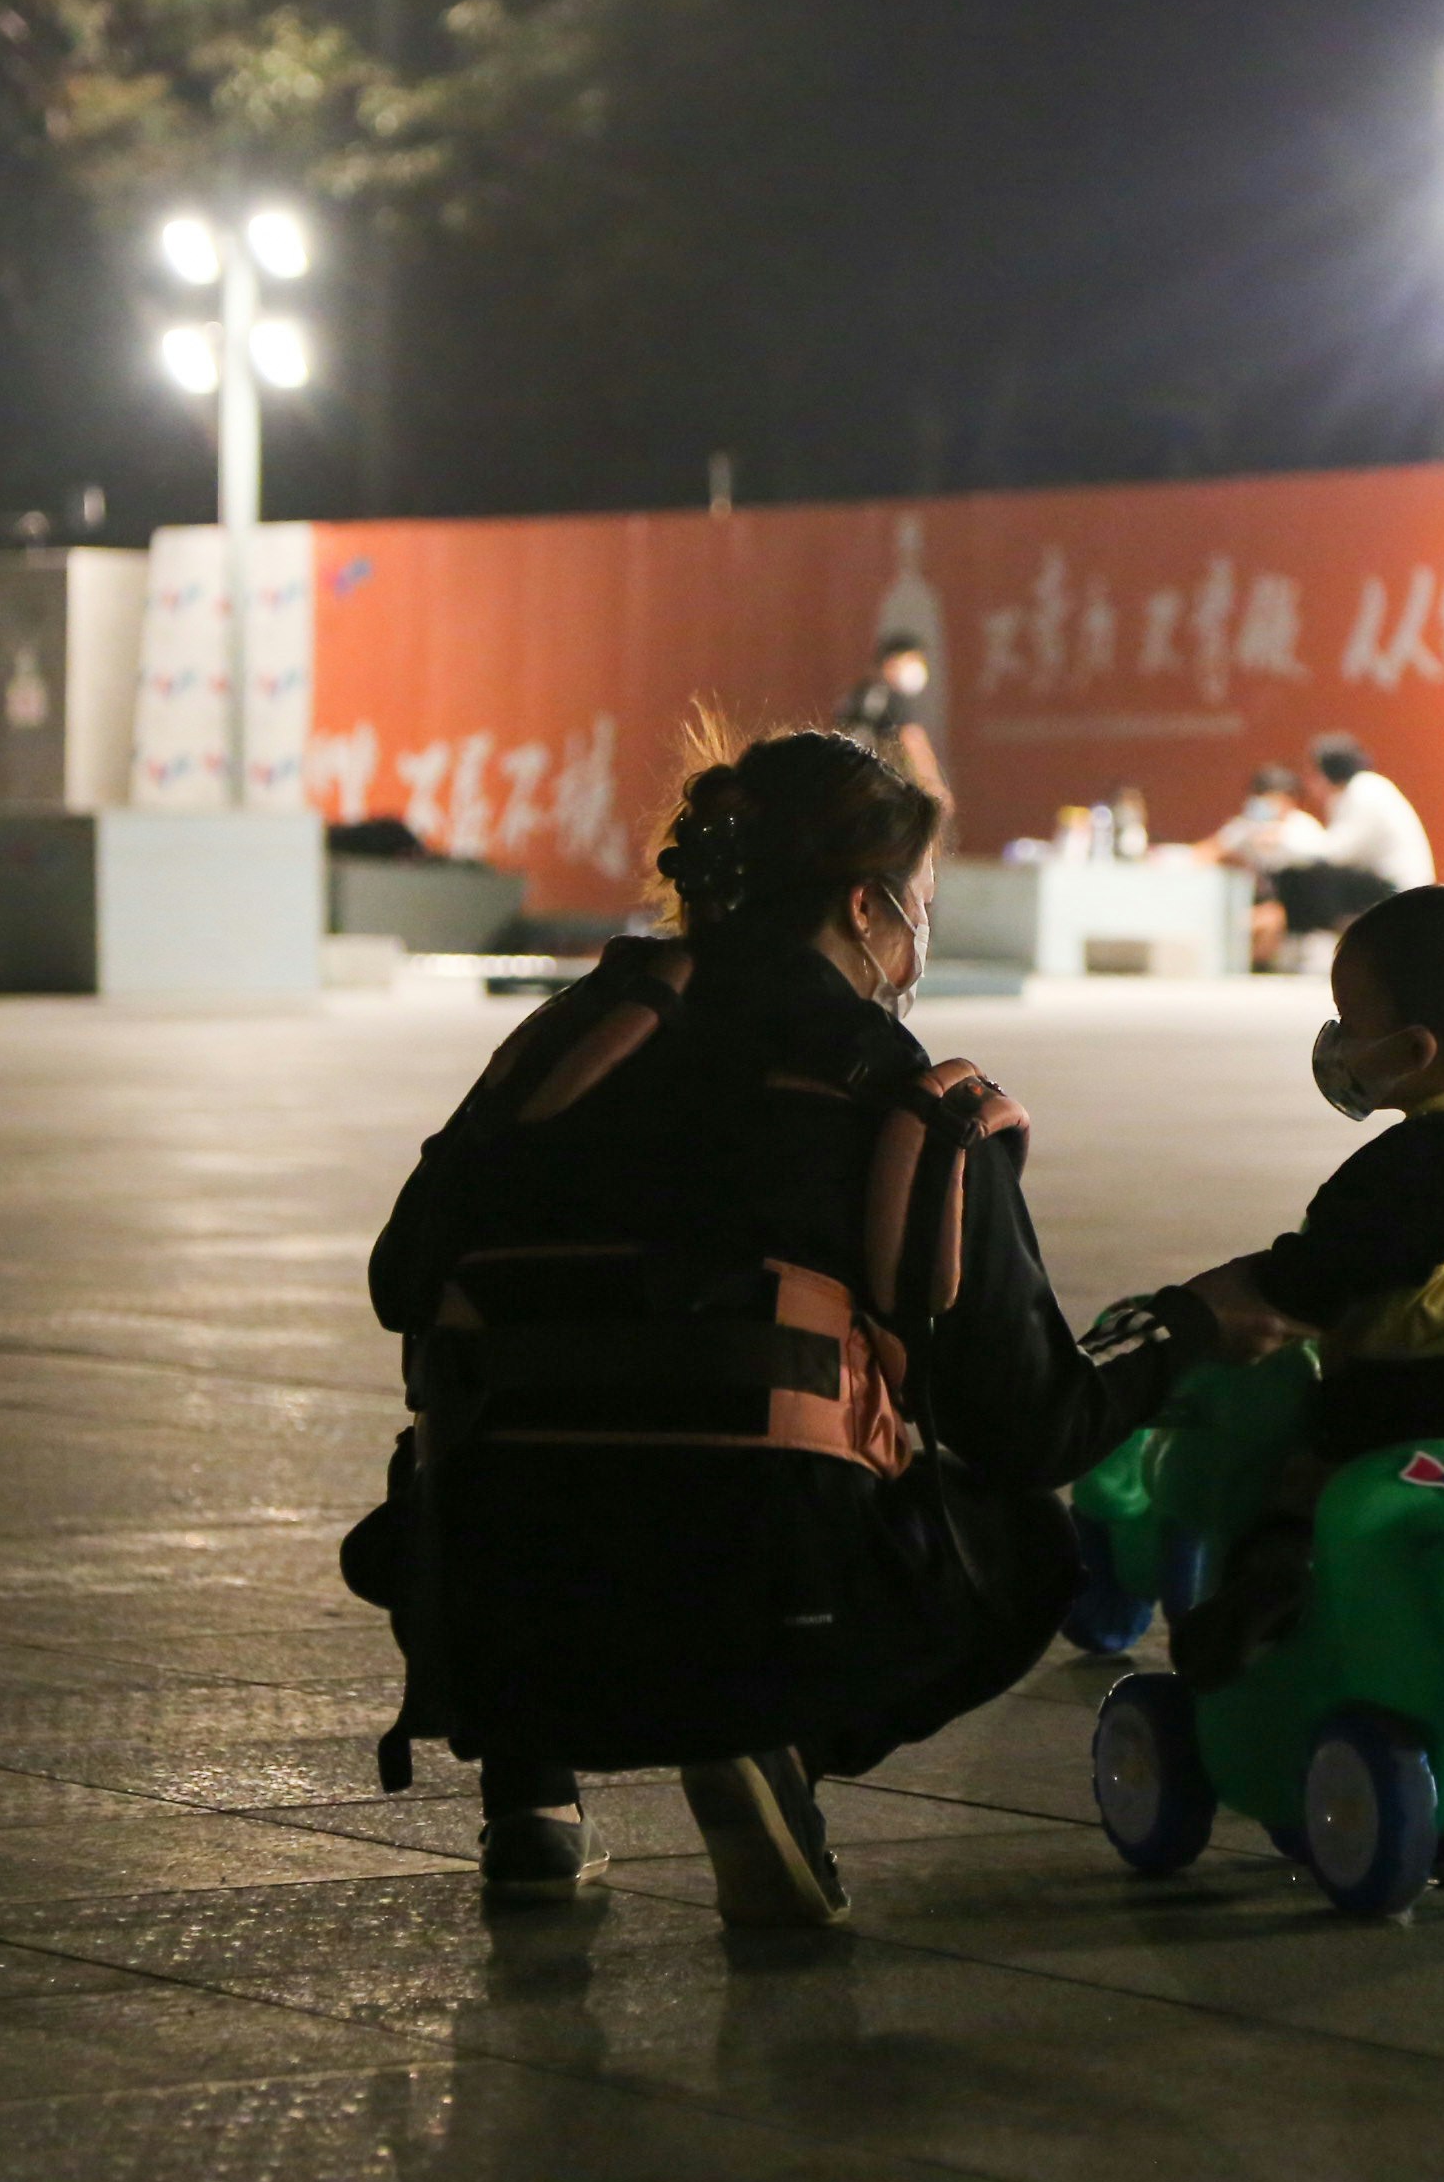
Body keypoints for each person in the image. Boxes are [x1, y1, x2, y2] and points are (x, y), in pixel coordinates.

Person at [352, 723, 1264, 1924]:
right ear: (867, 904)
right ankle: (772, 1739)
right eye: (920, 901)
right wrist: (1191, 1327)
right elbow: (1035, 1422)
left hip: (500, 1601)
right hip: (762, 1601)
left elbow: (399, 1276)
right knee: (1029, 1540)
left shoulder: (573, 1042)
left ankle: (531, 1794)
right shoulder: (896, 1099)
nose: (921, 932)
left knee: (515, 1416)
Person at [1171, 887, 1444, 1862]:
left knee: (1290, 1478)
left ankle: (1262, 1597)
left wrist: (1193, 1308)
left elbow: (1302, 1284)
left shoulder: (1402, 1169)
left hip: (1418, 1433)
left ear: (1414, 1051)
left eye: (1350, 1018)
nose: (1334, 1038)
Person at [1268, 732, 1435, 949]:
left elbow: (1335, 853)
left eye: (1312, 773)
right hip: (1385, 884)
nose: (1308, 783)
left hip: (1399, 891)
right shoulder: (1358, 791)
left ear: (1327, 770)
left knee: (1298, 878)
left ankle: (1303, 949)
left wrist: (1282, 837)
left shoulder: (1365, 792)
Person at [1196, 762, 1328, 970]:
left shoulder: (1302, 828)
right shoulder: (1248, 827)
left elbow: (1317, 857)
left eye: (1274, 799)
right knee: (1237, 921)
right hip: (1260, 904)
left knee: (1268, 921)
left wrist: (1275, 839)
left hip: (1299, 911)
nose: (1267, 805)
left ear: (1290, 800)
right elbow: (1208, 851)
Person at [832, 632, 946, 806]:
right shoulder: (894, 699)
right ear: (890, 663)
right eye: (912, 661)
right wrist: (933, 786)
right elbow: (912, 740)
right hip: (882, 788)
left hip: (849, 783)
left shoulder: (857, 696)